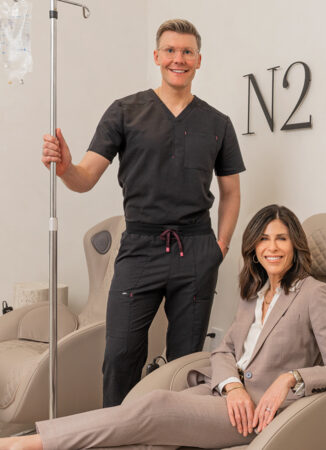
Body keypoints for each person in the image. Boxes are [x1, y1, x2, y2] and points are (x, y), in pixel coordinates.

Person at [0, 205, 326, 450]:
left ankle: (7, 445)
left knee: (152, 407)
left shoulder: (313, 294)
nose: (272, 247)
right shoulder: (254, 293)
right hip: (223, 394)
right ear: (253, 248)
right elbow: (225, 351)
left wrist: (289, 379)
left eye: (281, 238)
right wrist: (230, 384)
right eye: (263, 239)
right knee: (142, 429)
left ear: (295, 244)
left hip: (258, 412)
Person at [41, 19, 245, 407]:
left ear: (199, 60)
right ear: (156, 56)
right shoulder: (124, 112)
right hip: (139, 247)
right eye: (170, 50)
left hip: (196, 250)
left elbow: (231, 192)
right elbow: (85, 178)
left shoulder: (217, 123)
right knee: (120, 355)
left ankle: (176, 433)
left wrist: (219, 246)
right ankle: (119, 432)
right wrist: (65, 167)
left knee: (186, 363)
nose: (178, 59)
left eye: (187, 52)